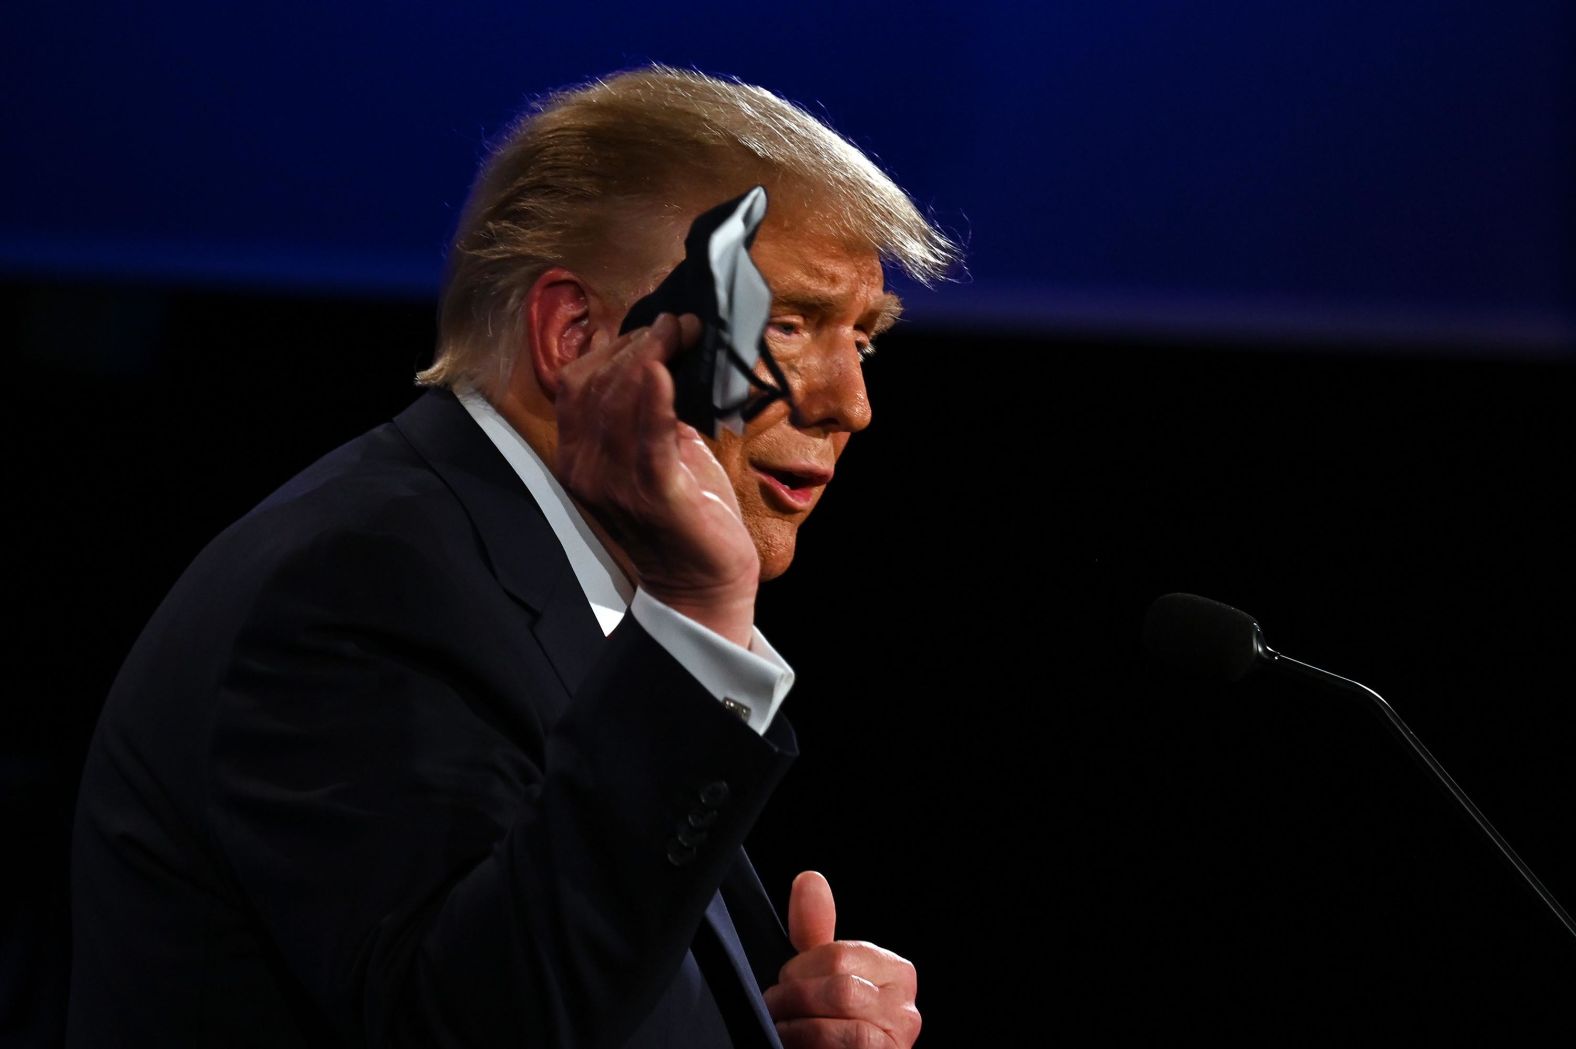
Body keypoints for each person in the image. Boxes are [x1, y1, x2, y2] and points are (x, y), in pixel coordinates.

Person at [68, 65, 958, 1048]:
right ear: (575, 336)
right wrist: (704, 616)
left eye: (863, 342)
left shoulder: (521, 580)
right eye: (787, 323)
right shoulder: (360, 587)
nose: (850, 402)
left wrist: (756, 1028)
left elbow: (565, 973)